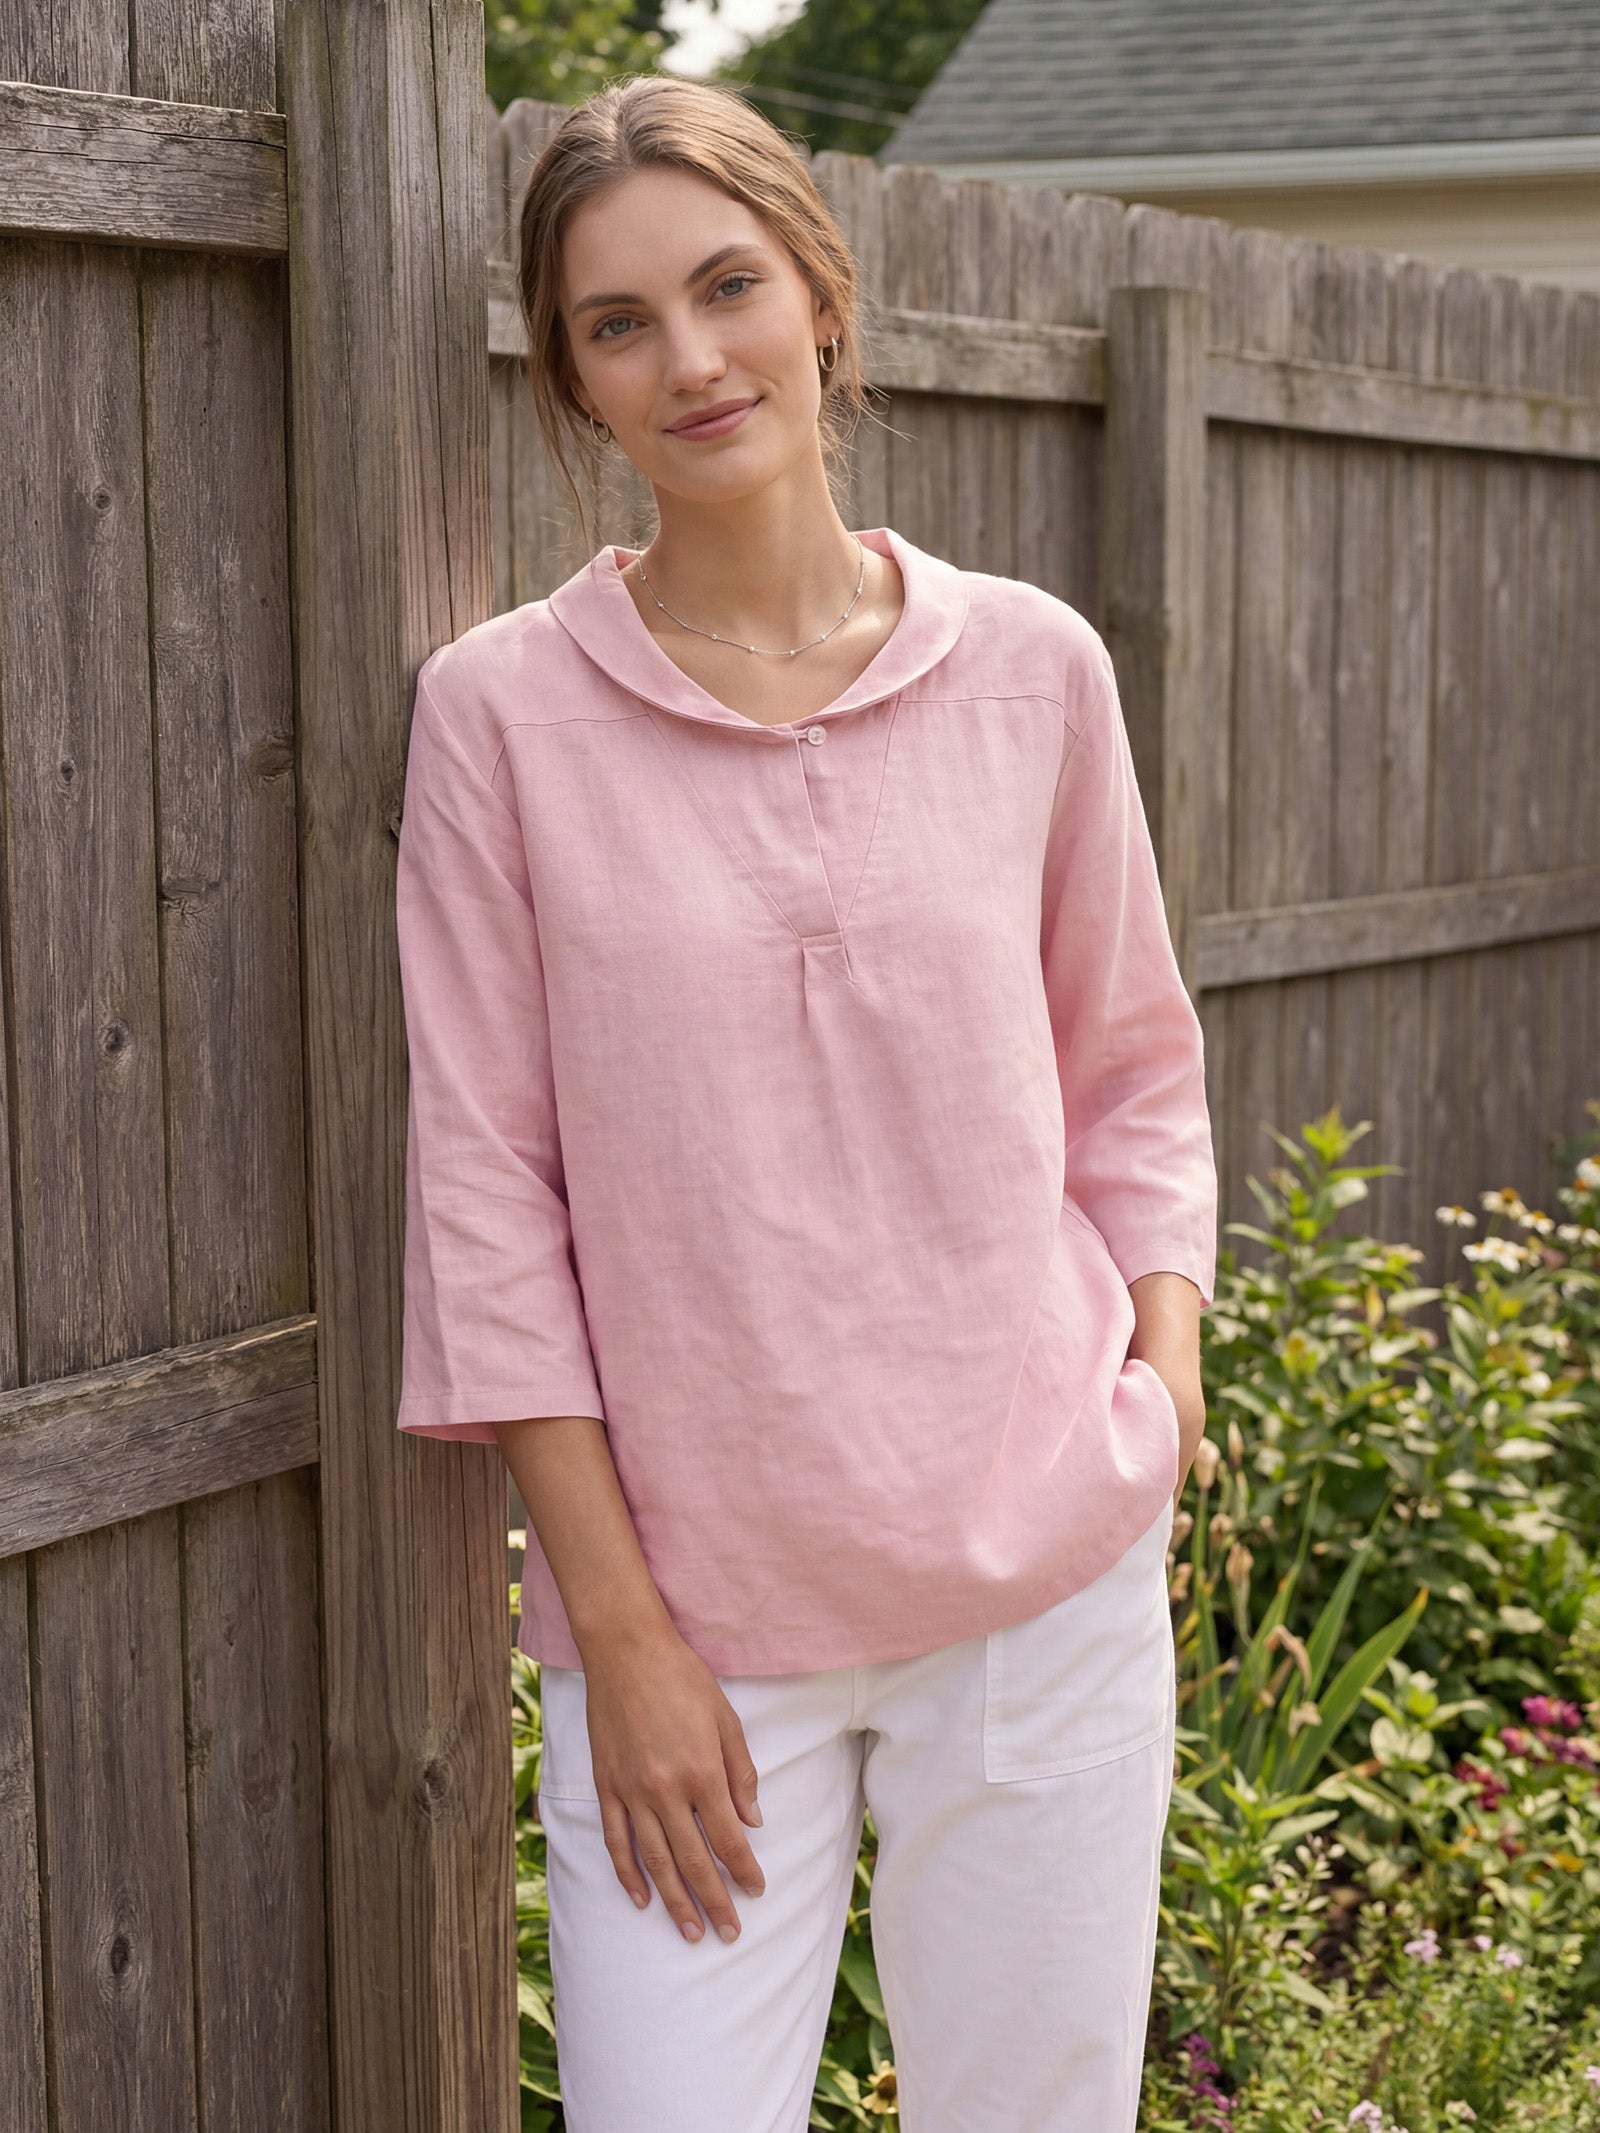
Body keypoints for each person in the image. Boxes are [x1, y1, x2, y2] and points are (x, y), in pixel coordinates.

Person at [393, 71, 1217, 2133]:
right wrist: (617, 1632)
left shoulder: (1034, 669)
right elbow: (487, 1193)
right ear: (572, 380)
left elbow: (1133, 1062)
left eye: (727, 287)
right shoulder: (500, 713)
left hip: (1041, 1588)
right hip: (692, 1630)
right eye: (618, 322)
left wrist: (1165, 1368)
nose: (688, 357)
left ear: (820, 299)